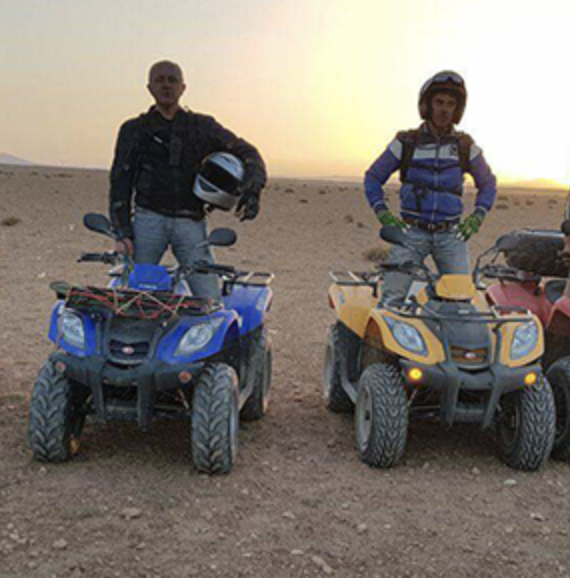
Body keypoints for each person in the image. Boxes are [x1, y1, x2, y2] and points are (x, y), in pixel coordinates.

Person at [109, 60, 267, 301]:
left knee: (209, 299)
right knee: (132, 297)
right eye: (160, 80)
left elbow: (247, 152)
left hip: (190, 222)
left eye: (172, 80)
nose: (166, 85)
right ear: (149, 87)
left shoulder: (202, 127)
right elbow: (120, 181)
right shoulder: (134, 130)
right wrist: (123, 232)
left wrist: (253, 188)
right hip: (148, 220)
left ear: (183, 87)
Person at [364, 70, 497, 307]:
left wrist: (478, 216)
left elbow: (488, 183)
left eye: (451, 104)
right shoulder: (406, 142)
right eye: (439, 102)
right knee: (392, 301)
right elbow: (373, 177)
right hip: (410, 233)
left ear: (457, 109)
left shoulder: (465, 145)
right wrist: (382, 212)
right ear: (427, 105)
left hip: (451, 235)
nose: (445, 109)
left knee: (461, 302)